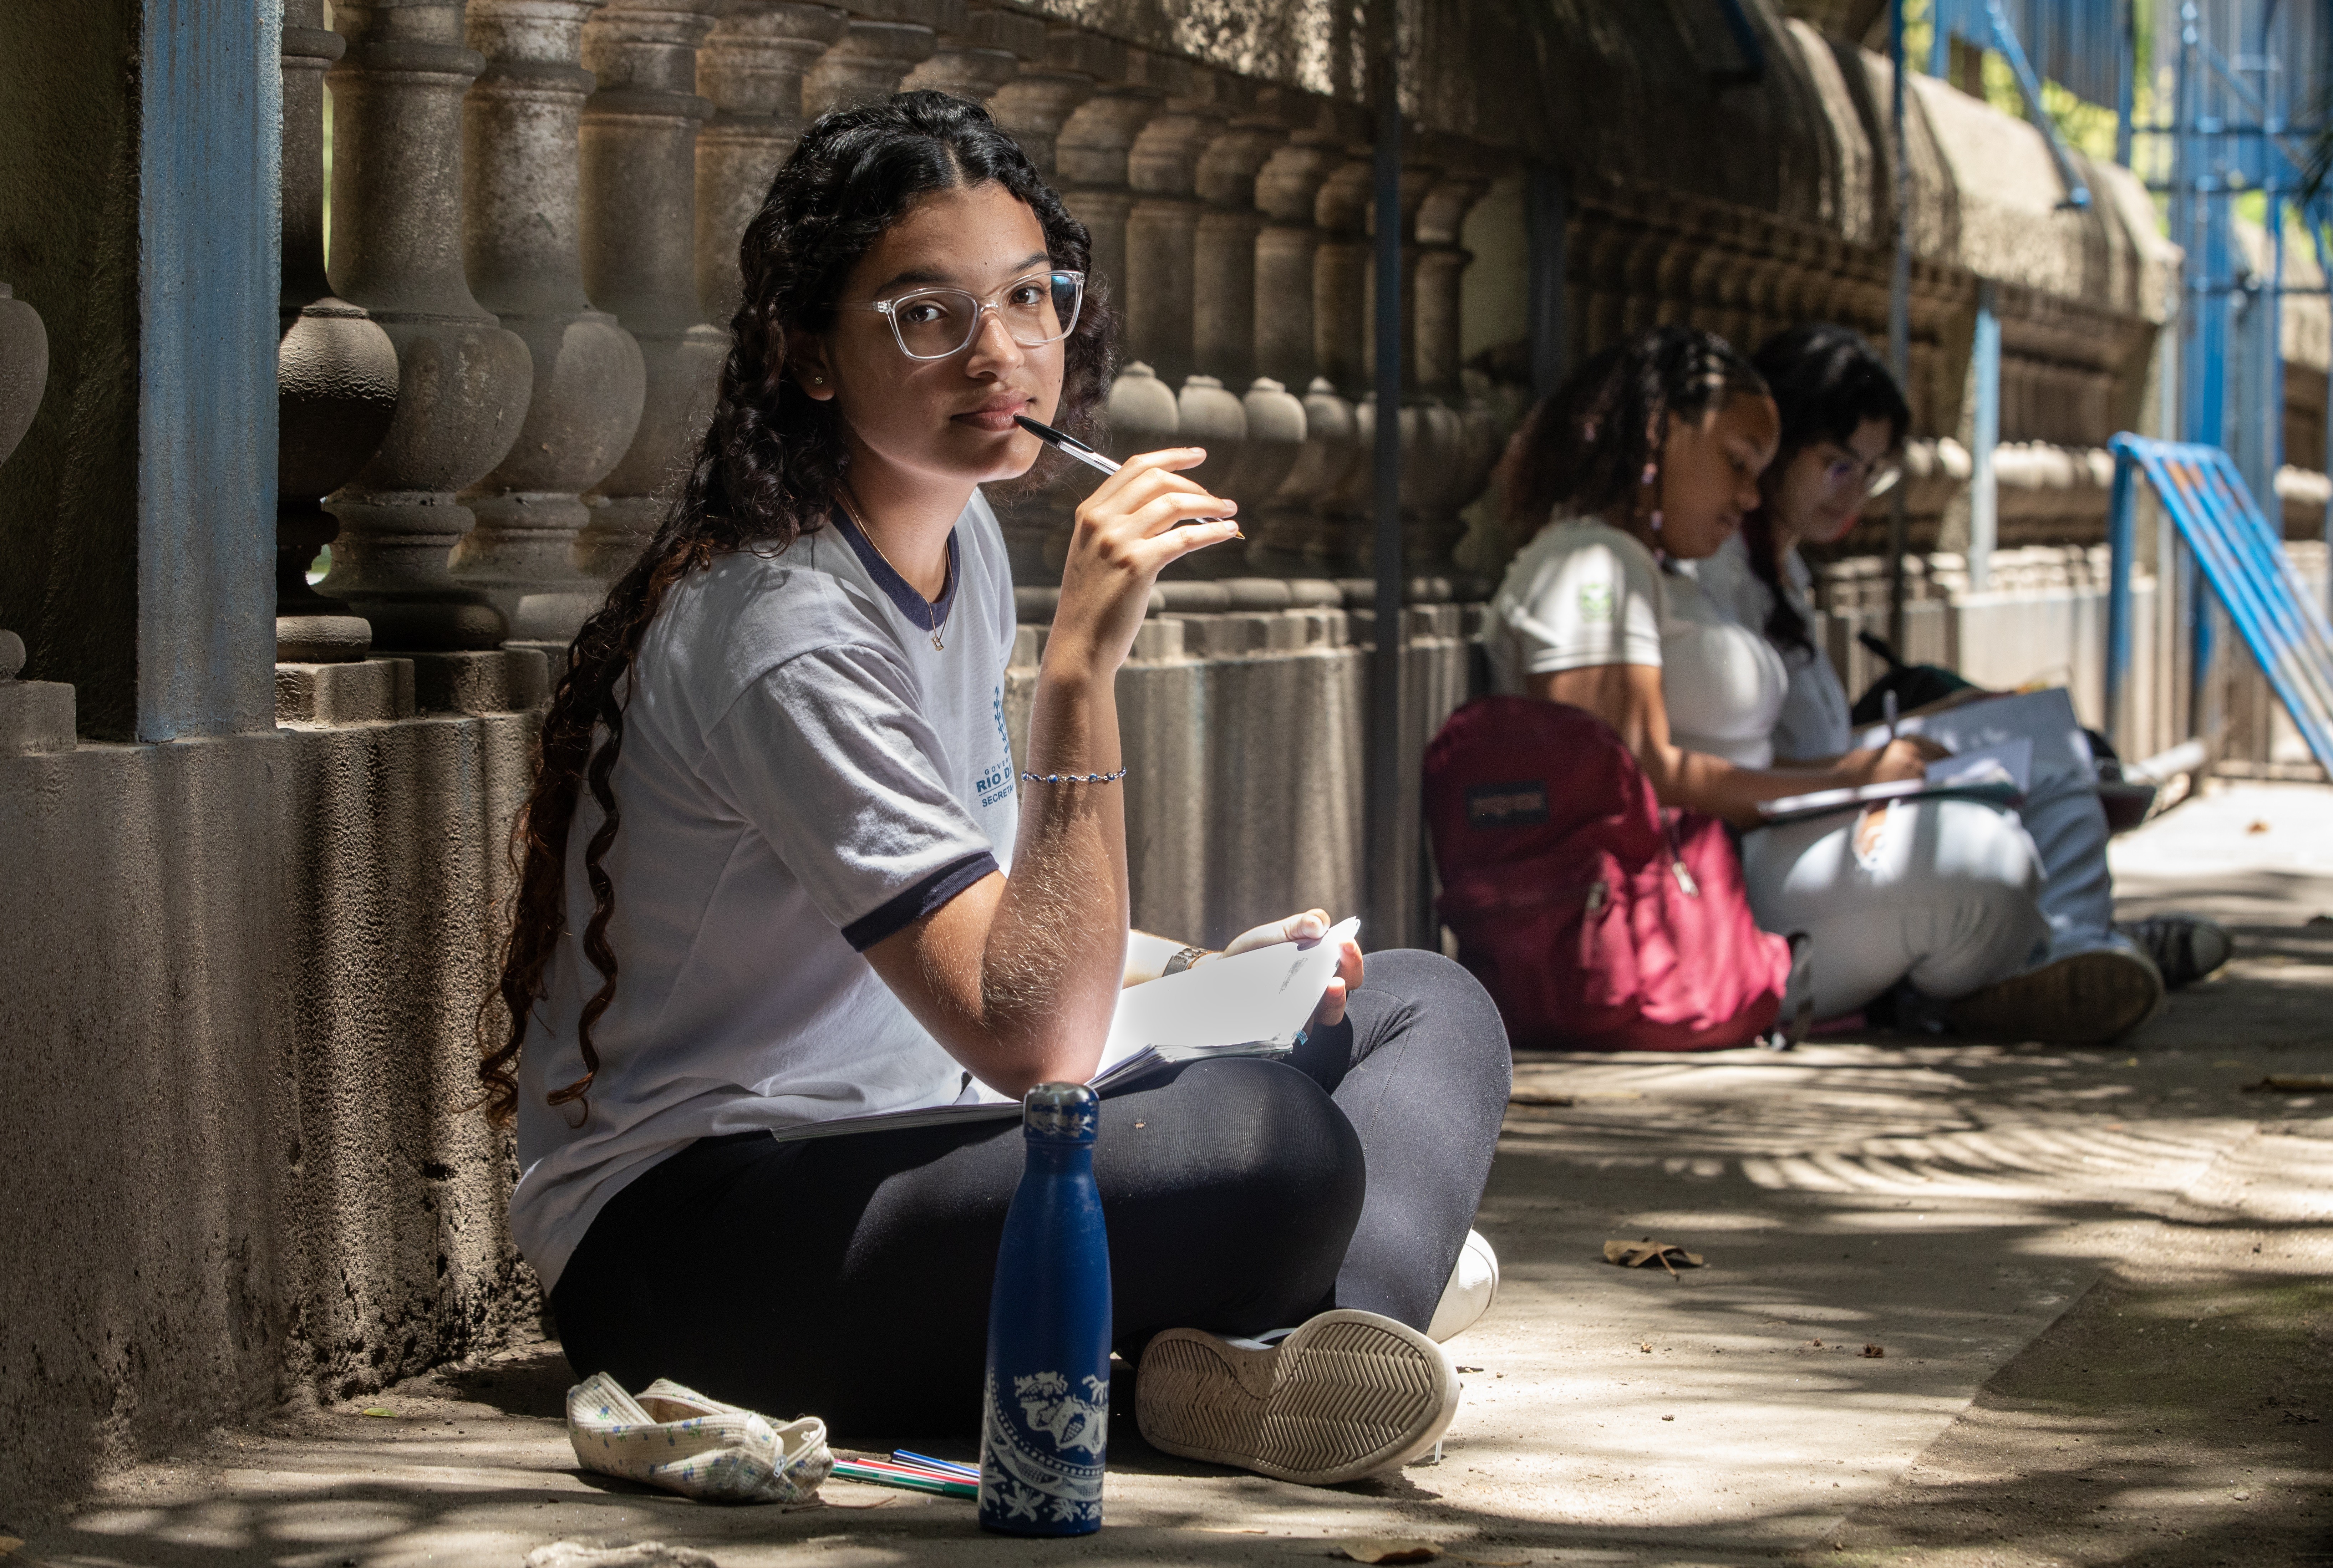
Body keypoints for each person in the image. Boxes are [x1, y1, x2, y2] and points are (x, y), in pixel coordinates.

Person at [477, 93, 1510, 1486]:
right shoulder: (779, 633)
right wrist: (1086, 666)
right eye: (925, 313)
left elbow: (995, 908)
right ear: (812, 355)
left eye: (1031, 296)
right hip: (703, 1246)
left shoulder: (955, 539)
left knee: (1421, 1001)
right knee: (1271, 1146)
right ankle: (1291, 1324)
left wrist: (1211, 969)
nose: (1000, 352)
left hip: (930, 1124)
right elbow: (1032, 1031)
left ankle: (1286, 1360)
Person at [1490, 325, 2058, 1028]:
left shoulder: (1656, 567)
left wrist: (1853, 776)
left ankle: (1990, 969)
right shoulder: (1591, 565)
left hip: (1744, 859)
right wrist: (1849, 780)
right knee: (1986, 864)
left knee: (2002, 819)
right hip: (1688, 891)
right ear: (1660, 436)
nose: (1752, 498)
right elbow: (1637, 778)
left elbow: (1725, 763)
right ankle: (1936, 982)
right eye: (1737, 463)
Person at [1691, 324, 2229, 1031]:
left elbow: (1811, 735)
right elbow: (1722, 766)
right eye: (1836, 465)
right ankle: (2057, 953)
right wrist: (1862, 769)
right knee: (1986, 847)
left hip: (1827, 793)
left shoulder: (1784, 566)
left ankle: (2074, 946)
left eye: (1872, 472)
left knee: (2044, 732)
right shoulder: (1708, 563)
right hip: (1767, 843)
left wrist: (1953, 717)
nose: (1852, 495)